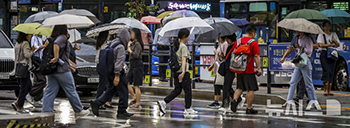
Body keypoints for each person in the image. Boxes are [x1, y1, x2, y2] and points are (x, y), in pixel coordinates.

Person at [42, 25, 89, 119]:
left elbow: (60, 49)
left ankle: (46, 111)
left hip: (53, 69)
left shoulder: (54, 37)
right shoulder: (62, 37)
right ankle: (78, 110)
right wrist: (56, 57)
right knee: (71, 89)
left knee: (50, 90)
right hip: (62, 69)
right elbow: (56, 44)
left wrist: (72, 48)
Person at [90, 28, 134, 118]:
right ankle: (121, 111)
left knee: (111, 90)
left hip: (109, 71)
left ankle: (97, 103)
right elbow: (119, 62)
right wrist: (117, 75)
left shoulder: (112, 42)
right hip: (117, 72)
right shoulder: (121, 47)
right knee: (123, 91)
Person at [157, 28, 198, 114]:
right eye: (188, 35)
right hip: (183, 71)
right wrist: (183, 72)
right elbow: (183, 60)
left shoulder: (177, 45)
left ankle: (164, 102)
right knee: (188, 90)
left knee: (177, 90)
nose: (189, 37)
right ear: (184, 36)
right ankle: (188, 108)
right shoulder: (183, 46)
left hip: (176, 71)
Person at [280, 31, 320, 108]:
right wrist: (296, 49)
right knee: (293, 82)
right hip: (299, 61)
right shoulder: (297, 38)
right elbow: (296, 49)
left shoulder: (308, 39)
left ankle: (314, 102)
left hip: (305, 61)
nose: (296, 31)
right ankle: (288, 101)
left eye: (298, 30)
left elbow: (309, 51)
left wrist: (299, 48)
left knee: (308, 83)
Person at [231, 25, 261, 114]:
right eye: (254, 33)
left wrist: (235, 70)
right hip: (249, 69)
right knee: (250, 89)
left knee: (240, 87)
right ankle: (249, 108)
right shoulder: (253, 43)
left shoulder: (238, 41)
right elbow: (256, 56)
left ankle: (234, 100)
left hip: (239, 68)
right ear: (252, 33)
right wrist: (258, 68)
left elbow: (234, 55)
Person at [219, 34, 243, 111]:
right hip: (227, 68)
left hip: (232, 69)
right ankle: (238, 99)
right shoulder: (230, 47)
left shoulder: (236, 46)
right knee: (227, 86)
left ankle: (225, 104)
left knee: (226, 86)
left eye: (227, 39)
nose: (227, 41)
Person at [317, 21, 340, 96]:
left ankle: (330, 90)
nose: (327, 27)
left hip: (332, 55)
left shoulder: (334, 34)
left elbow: (338, 44)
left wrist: (335, 41)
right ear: (323, 27)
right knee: (326, 71)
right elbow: (320, 44)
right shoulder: (321, 35)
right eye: (326, 26)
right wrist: (329, 44)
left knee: (331, 71)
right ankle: (325, 89)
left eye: (328, 26)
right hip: (324, 54)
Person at [12, 32, 33, 113]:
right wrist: (32, 51)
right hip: (24, 67)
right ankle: (20, 107)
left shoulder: (17, 43)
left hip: (18, 67)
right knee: (25, 88)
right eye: (30, 34)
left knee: (28, 87)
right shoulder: (25, 43)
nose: (30, 36)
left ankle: (17, 101)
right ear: (26, 35)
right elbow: (27, 55)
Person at [25, 34, 48, 106]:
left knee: (39, 79)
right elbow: (34, 48)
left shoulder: (39, 39)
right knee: (42, 80)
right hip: (36, 60)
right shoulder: (34, 38)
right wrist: (44, 45)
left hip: (40, 60)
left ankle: (37, 99)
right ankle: (30, 93)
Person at [206, 37, 229, 108]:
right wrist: (212, 66)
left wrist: (217, 53)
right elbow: (216, 58)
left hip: (222, 68)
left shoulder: (225, 44)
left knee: (220, 84)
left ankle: (233, 99)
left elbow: (224, 56)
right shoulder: (220, 44)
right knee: (217, 84)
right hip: (218, 67)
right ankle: (216, 101)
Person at [95, 31, 114, 109]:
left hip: (100, 66)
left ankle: (105, 101)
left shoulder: (99, 45)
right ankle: (98, 101)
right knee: (103, 85)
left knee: (105, 84)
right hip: (103, 66)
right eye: (108, 35)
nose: (109, 37)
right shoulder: (103, 46)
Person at [127, 28, 144, 108]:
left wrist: (129, 50)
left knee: (136, 85)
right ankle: (134, 97)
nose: (131, 35)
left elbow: (136, 54)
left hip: (137, 63)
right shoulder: (134, 43)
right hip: (133, 63)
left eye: (132, 34)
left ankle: (138, 102)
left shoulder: (138, 44)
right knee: (126, 82)